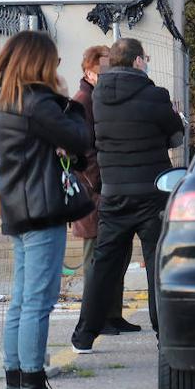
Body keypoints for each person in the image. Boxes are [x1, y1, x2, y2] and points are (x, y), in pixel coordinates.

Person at [0, 31, 91, 389]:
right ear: (39, 62)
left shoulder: (4, 100)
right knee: (38, 302)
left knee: (21, 302)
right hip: (42, 210)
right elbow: (80, 139)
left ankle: (15, 388)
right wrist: (69, 102)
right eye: (54, 60)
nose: (57, 66)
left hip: (17, 210)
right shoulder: (37, 103)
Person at [71, 38, 184, 354]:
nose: (146, 62)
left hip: (114, 194)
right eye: (145, 58)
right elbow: (175, 137)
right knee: (157, 265)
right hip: (152, 193)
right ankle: (165, 336)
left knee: (103, 266)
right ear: (137, 61)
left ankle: (83, 336)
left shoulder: (99, 97)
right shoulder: (155, 95)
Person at [69, 45, 139, 336]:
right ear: (89, 72)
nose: (110, 74)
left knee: (117, 253)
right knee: (97, 259)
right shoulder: (83, 101)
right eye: (103, 70)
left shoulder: (102, 98)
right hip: (93, 192)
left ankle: (113, 314)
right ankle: (97, 319)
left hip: (107, 189)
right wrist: (99, 182)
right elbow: (82, 150)